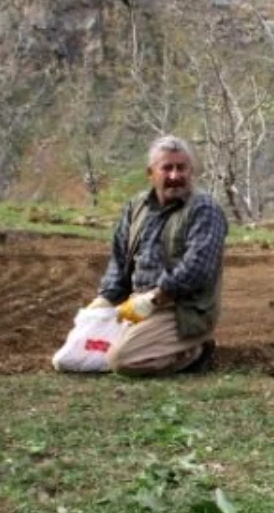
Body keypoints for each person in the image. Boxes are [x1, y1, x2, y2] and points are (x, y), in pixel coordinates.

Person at [86, 135, 228, 375]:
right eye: (167, 168)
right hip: (134, 305)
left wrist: (153, 298)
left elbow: (197, 269)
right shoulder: (136, 207)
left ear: (190, 170)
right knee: (83, 347)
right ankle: (148, 341)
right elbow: (120, 260)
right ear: (151, 173)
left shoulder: (204, 209)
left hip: (181, 309)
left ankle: (195, 351)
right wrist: (104, 300)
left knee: (122, 360)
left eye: (181, 168)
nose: (175, 176)